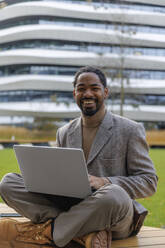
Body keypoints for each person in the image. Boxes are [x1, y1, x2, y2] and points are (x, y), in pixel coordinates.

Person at [0, 66, 157, 248]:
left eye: (94, 88)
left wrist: (105, 181)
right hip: (72, 206)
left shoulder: (130, 130)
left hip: (113, 214)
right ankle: (79, 235)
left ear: (105, 92)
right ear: (75, 93)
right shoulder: (64, 132)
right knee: (8, 183)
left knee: (113, 193)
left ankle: (47, 232)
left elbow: (149, 181)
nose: (87, 93)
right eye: (81, 89)